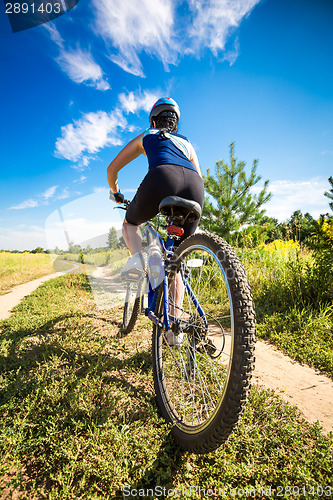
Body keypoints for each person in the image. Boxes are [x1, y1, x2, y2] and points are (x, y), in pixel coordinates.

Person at [107, 96, 204, 278]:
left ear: (153, 121)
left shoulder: (147, 134)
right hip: (195, 186)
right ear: (175, 126)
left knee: (130, 223)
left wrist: (116, 192)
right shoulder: (187, 143)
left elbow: (111, 169)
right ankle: (175, 306)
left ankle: (136, 260)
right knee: (178, 259)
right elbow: (199, 175)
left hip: (162, 176)